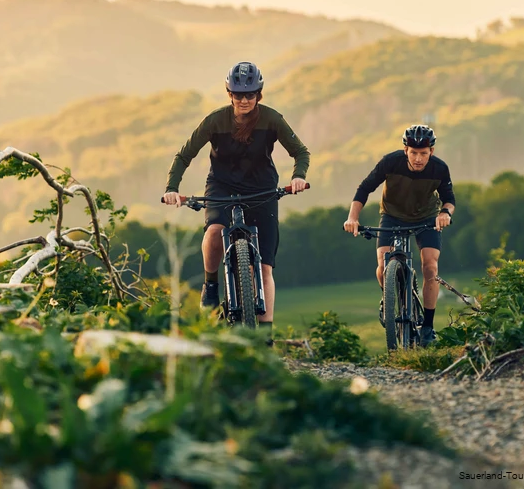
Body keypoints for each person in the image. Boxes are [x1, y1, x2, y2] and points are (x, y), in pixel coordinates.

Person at [162, 61, 310, 335]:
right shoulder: (215, 121)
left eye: (250, 94)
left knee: (265, 268)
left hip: (262, 188)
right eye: (238, 94)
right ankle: (211, 284)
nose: (244, 100)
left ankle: (264, 335)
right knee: (215, 230)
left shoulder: (272, 119)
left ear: (259, 94)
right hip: (222, 186)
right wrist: (172, 187)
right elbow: (184, 155)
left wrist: (298, 176)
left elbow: (300, 152)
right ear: (229, 94)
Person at [342, 124, 455, 348]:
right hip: (393, 217)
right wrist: (352, 218)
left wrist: (445, 213)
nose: (418, 159)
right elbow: (364, 189)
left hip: (427, 218)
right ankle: (390, 297)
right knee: (383, 264)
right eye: (413, 153)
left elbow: (449, 199)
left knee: (430, 267)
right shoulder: (390, 162)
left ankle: (428, 328)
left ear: (431, 151)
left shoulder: (439, 169)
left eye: (423, 153)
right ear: (405, 150)